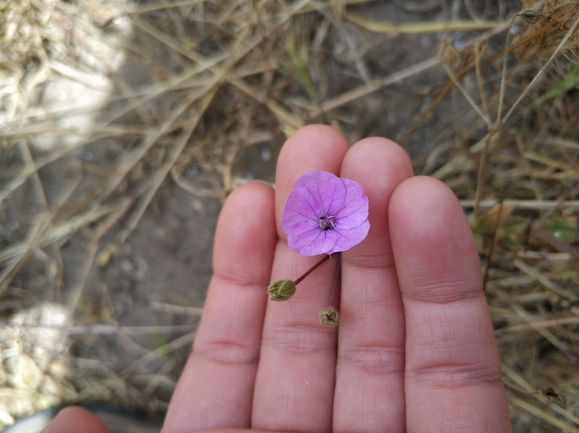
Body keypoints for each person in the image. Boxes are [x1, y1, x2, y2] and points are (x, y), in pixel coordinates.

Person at [41, 125, 512, 433]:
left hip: (341, 224)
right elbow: (316, 227)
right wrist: (325, 237)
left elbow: (341, 224)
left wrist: (333, 234)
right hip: (325, 230)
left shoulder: (338, 221)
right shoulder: (316, 227)